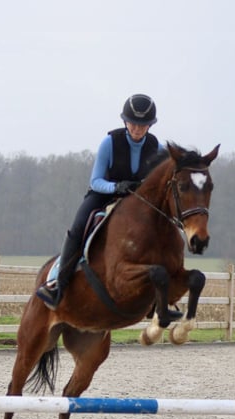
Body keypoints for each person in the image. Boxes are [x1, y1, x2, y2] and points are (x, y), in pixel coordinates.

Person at [36, 93, 163, 309]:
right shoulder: (109, 143)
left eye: (143, 125)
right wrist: (117, 187)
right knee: (78, 229)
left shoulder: (157, 148)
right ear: (125, 121)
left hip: (135, 202)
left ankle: (161, 291)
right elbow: (95, 181)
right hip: (102, 194)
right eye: (133, 123)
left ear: (149, 126)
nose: (137, 129)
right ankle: (57, 283)